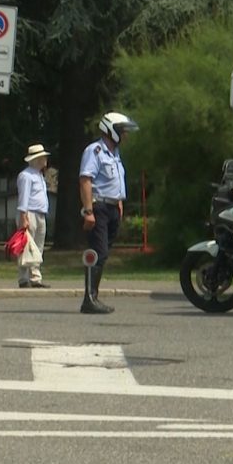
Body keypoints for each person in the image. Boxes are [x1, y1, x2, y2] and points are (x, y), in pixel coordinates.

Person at [78, 111, 139, 314]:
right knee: (98, 252)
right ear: (111, 131)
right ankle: (89, 299)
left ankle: (93, 295)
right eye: (122, 131)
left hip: (112, 207)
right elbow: (86, 180)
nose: (126, 136)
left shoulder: (114, 153)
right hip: (99, 207)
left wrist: (119, 202)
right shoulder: (94, 151)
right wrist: (88, 211)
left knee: (103, 254)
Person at [17, 144, 52, 288]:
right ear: (36, 159)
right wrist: (23, 216)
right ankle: (24, 278)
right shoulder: (26, 175)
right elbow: (23, 197)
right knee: (26, 247)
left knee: (38, 247)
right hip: (30, 213)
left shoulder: (39, 175)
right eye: (43, 158)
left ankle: (35, 277)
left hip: (40, 214)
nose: (45, 160)